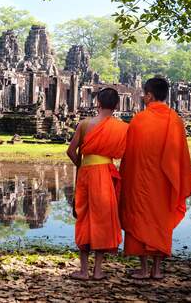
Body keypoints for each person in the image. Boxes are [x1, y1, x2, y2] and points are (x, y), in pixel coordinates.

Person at [119, 77, 191, 279]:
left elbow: (130, 155)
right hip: (165, 183)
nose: (143, 97)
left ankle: (144, 269)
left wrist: (125, 179)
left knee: (140, 219)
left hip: (140, 181)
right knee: (160, 222)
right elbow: (180, 156)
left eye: (144, 94)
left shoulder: (139, 119)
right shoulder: (175, 120)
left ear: (150, 95)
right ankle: (156, 270)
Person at [66, 87, 129, 280]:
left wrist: (83, 164)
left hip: (87, 173)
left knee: (84, 217)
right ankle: (98, 270)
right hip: (106, 174)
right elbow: (123, 153)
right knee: (102, 219)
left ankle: (84, 271)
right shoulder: (122, 127)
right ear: (117, 105)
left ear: (98, 103)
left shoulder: (85, 124)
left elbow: (70, 151)